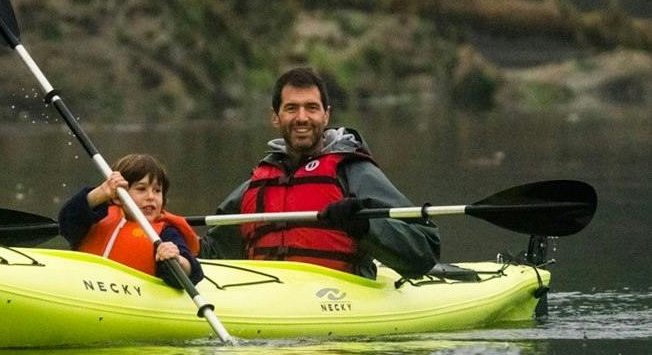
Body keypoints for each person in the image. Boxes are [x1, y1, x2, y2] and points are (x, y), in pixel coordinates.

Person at [200, 66, 440, 279]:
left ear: (326, 115)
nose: (302, 118)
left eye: (311, 108)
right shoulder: (256, 183)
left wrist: (366, 227)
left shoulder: (353, 172)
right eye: (291, 108)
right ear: (276, 117)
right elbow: (214, 252)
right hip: (265, 295)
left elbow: (425, 249)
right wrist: (174, 235)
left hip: (340, 296)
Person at [58, 153, 204, 286]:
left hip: (133, 299)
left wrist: (177, 260)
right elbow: (67, 221)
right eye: (141, 189)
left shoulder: (166, 232)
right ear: (117, 196)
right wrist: (101, 192)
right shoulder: (95, 217)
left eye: (157, 190)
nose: (151, 197)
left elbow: (192, 272)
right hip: (82, 287)